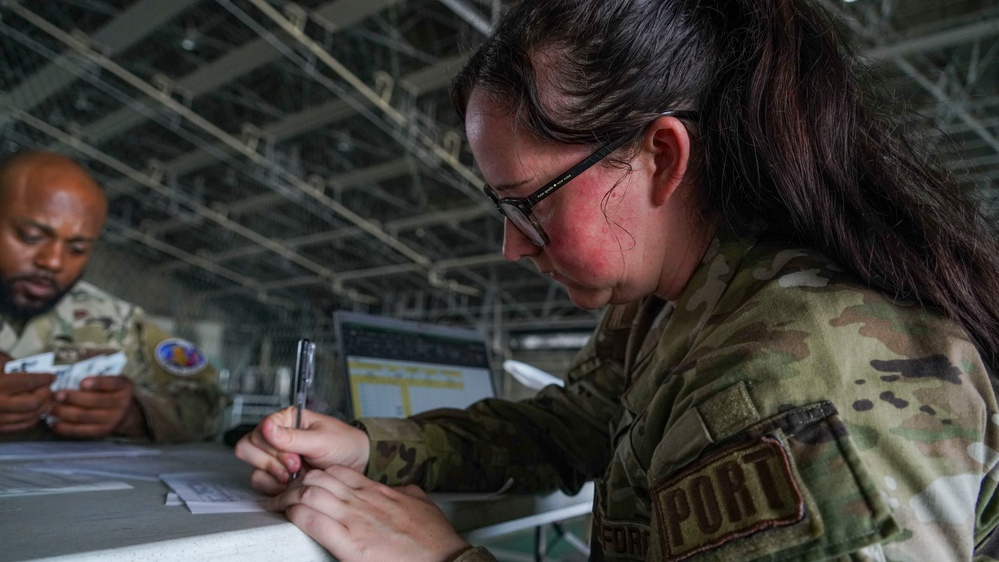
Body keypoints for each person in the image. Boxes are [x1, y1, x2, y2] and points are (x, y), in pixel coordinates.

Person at [235, 0, 999, 560]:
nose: (510, 246)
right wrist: (371, 447)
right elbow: (577, 425)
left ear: (660, 158)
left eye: (527, 205)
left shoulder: (795, 385)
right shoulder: (669, 305)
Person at [0, 150, 223, 442]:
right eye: (30, 236)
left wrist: (132, 414)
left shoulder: (115, 321)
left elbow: (211, 402)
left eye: (77, 249)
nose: (54, 261)